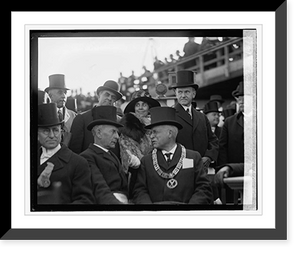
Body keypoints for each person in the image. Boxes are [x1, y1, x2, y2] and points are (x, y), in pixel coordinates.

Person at [132, 107, 213, 204]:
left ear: (169, 133)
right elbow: (139, 191)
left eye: (155, 132)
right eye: (150, 132)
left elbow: (203, 188)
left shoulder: (193, 157)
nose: (151, 136)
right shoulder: (146, 161)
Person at [37, 102, 94, 204]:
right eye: (46, 131)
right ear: (36, 134)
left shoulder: (78, 163)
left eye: (55, 130)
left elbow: (84, 200)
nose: (51, 135)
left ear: (62, 133)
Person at [80, 106, 130, 204]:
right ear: (99, 133)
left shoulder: (112, 155)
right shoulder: (87, 157)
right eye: (113, 132)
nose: (117, 137)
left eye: (117, 132)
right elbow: (100, 189)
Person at [171, 70, 219, 172]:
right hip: (179, 169)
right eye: (180, 92)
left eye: (187, 92)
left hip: (201, 168)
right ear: (175, 94)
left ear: (194, 94)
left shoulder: (201, 117)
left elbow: (213, 140)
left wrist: (209, 157)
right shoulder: (170, 115)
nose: (183, 95)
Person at [119, 90, 161, 199]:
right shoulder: (128, 127)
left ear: (149, 107)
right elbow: (127, 150)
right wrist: (147, 164)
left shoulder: (156, 124)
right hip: (136, 172)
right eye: (137, 105)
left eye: (144, 105)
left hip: (157, 171)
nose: (141, 108)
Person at [69, 80, 123, 154]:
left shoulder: (120, 121)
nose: (109, 98)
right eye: (106, 94)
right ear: (99, 95)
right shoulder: (82, 118)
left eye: (113, 97)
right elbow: (74, 151)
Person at [45, 74, 77, 147]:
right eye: (60, 92)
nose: (64, 96)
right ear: (50, 95)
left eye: (65, 93)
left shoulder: (74, 116)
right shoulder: (43, 115)